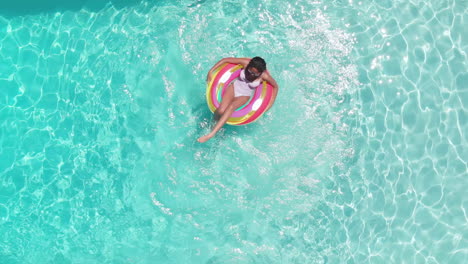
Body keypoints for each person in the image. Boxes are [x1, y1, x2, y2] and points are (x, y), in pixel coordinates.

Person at [197, 57, 279, 143]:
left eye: (255, 74)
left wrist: (270, 103)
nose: (251, 75)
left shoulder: (264, 76)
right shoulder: (245, 63)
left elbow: (276, 87)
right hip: (233, 88)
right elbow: (225, 60)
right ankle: (212, 125)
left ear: (260, 73)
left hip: (244, 96)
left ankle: (211, 134)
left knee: (232, 106)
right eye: (250, 71)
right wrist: (211, 71)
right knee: (221, 110)